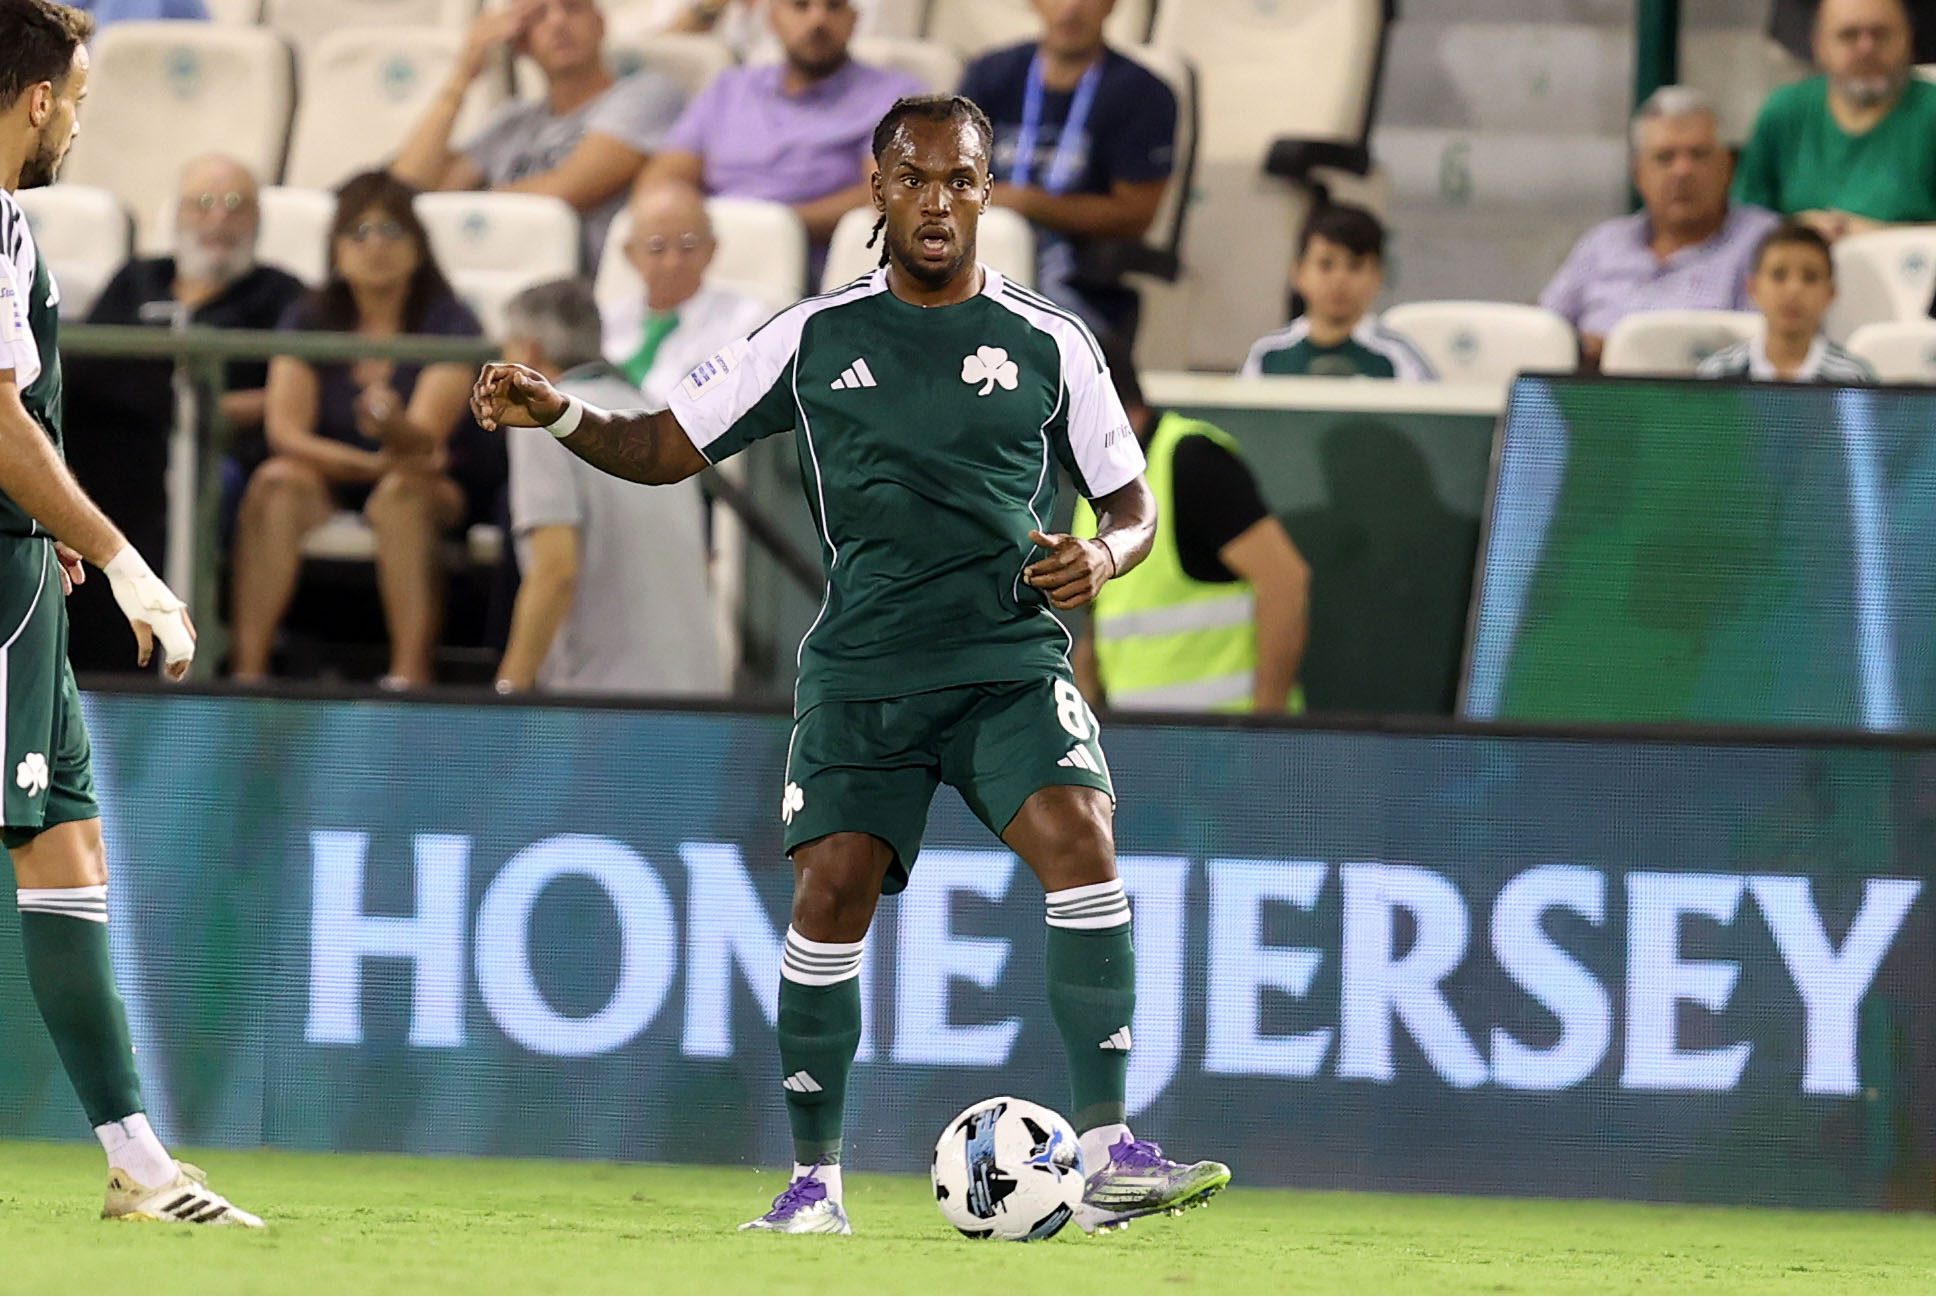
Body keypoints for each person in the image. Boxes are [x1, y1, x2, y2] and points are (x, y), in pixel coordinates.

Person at [471, 93, 1230, 1236]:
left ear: (986, 193)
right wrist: (560, 411)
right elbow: (662, 446)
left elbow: (1132, 503)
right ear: (876, 188)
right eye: (914, 177)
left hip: (1006, 656)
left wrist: (1103, 554)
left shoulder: (1050, 339)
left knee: (1082, 839)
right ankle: (814, 1184)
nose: (937, 202)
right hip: (866, 668)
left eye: (961, 179)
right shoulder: (813, 336)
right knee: (830, 893)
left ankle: (1111, 1149)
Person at [0, 0, 257, 1226]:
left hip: (20, 572)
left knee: (67, 844)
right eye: (82, 100)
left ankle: (139, 1164)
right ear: (39, 97)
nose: (80, 126)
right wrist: (120, 556)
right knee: (45, 838)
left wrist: (46, 524)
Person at [229, 170, 488, 688]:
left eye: (391, 231)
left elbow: (426, 442)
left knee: (401, 495)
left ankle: (408, 680)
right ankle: (246, 678)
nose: (375, 246)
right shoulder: (308, 316)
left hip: (435, 483)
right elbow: (286, 432)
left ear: (418, 247)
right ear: (336, 249)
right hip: (335, 473)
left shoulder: (449, 321)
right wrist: (370, 462)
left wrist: (394, 426)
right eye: (358, 232)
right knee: (275, 482)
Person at [62, 154, 305, 672]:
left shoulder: (282, 294)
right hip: (121, 448)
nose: (219, 218)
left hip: (222, 451)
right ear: (178, 215)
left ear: (257, 219)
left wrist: (221, 407)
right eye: (204, 203)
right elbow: (86, 369)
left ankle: (187, 655)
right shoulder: (137, 279)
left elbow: (302, 389)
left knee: (205, 485)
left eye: (235, 204)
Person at [494, 278, 724, 696]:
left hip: (605, 701)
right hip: (699, 693)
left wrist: (509, 689)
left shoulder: (542, 421)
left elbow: (555, 571)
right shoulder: (655, 416)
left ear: (529, 352)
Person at [1072, 341, 1310, 714]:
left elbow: (1285, 582)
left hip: (1229, 737)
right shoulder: (1095, 489)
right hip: (1141, 740)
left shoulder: (1192, 461)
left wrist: (1265, 727)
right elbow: (1101, 624)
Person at [390, 0, 686, 268]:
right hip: (501, 271)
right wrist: (463, 74)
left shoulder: (647, 94)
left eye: (572, 7)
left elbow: (567, 191)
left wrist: (467, 206)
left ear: (600, 23)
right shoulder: (512, 121)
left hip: (578, 287)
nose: (558, 22)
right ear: (520, 41)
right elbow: (403, 191)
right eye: (538, 15)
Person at [960, 0, 1177, 343]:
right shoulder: (990, 73)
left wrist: (1025, 203)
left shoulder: (1144, 93)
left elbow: (1136, 215)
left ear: (1111, 4)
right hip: (978, 257)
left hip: (1078, 280)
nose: (1071, 9)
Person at [644, 0, 922, 253]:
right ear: (772, 19)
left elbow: (888, 194)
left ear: (854, 20)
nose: (817, 20)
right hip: (706, 252)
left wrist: (778, 227)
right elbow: (664, 178)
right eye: (801, 6)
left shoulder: (892, 97)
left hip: (811, 262)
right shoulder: (728, 89)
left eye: (834, 6)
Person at [1541, 87, 1780, 371]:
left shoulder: (1766, 242)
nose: (1682, 171)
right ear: (1638, 173)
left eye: (1698, 155)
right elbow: (1544, 332)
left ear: (1728, 165)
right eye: (1665, 157)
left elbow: (1770, 355)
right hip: (1589, 393)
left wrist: (1620, 354)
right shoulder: (1601, 244)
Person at [1734, 0, 1936, 239]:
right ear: (1819, 44)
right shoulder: (1783, 111)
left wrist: (1880, 238)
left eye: (1880, 34)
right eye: (1849, 35)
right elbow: (1741, 223)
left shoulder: (1929, 112)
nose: (1866, 48)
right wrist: (1795, 230)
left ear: (1908, 38)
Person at [605, 179, 768, 406]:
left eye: (688, 245)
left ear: (711, 249)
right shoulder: (606, 321)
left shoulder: (746, 321)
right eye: (657, 247)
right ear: (630, 254)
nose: (673, 261)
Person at [1240, 204, 1436, 380]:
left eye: (1355, 266)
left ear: (1378, 276)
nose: (1339, 280)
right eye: (1326, 265)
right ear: (1298, 273)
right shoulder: (1267, 355)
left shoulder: (1399, 358)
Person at [1696, 222, 1877, 381]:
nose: (1793, 290)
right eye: (1779, 275)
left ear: (1830, 294)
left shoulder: (1853, 378)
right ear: (1753, 288)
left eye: (1810, 277)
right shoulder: (1719, 374)